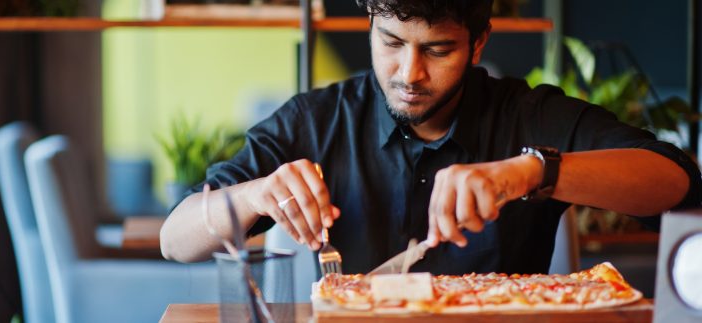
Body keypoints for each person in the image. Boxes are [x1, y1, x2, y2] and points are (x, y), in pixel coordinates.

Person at [160, 0, 701, 275]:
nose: (408, 74)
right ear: (370, 21)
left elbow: (675, 181)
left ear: (479, 43)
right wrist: (253, 196)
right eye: (391, 41)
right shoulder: (316, 119)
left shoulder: (528, 115)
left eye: (438, 50)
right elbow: (174, 240)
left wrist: (535, 171)